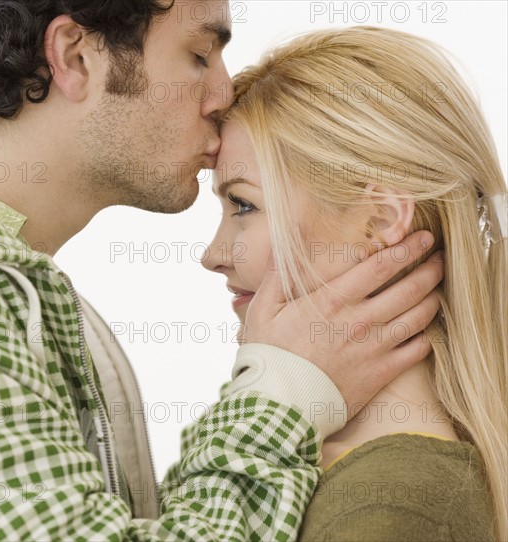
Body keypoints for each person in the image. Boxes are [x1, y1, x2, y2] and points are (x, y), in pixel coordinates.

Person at [0, 2, 443, 540]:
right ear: (76, 57)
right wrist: (285, 394)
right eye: (199, 54)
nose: (223, 94)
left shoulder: (15, 296)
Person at [203, 26, 507, 541]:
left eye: (244, 205)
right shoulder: (313, 468)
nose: (213, 255)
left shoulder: (393, 511)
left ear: (382, 222)